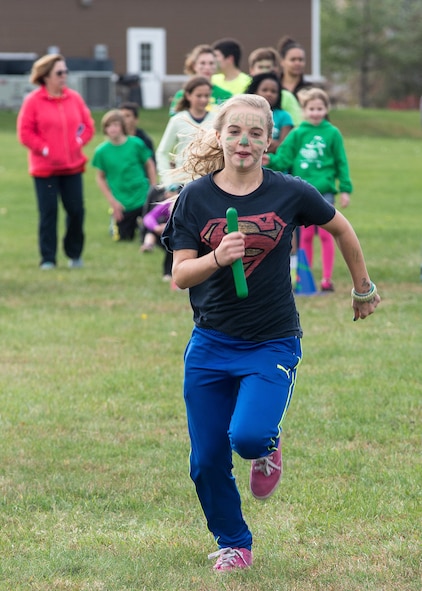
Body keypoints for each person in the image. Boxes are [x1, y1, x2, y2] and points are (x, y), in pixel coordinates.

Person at [161, 94, 380, 571]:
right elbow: (180, 275)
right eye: (235, 131)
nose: (244, 141)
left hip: (272, 340)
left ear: (269, 141)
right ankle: (234, 543)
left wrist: (363, 288)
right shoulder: (196, 199)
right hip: (211, 343)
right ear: (219, 136)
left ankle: (267, 446)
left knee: (249, 436)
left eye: (255, 133)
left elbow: (342, 229)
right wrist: (218, 256)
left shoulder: (290, 192)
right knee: (205, 460)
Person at [264, 88, 352, 291]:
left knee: (326, 234)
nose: (315, 112)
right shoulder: (297, 133)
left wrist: (345, 189)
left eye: (319, 108)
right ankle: (305, 277)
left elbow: (341, 162)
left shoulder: (332, 133)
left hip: (325, 192)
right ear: (304, 110)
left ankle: (327, 279)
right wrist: (271, 160)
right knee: (304, 236)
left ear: (326, 109)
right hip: (302, 193)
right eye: (311, 108)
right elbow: (285, 157)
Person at [16, 53, 95, 270]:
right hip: (45, 170)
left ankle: (74, 253)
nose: (64, 76)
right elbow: (25, 132)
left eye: (66, 71)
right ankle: (48, 259)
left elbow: (88, 126)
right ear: (46, 76)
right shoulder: (33, 101)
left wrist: (78, 140)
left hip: (73, 167)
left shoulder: (74, 98)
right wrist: (44, 148)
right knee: (49, 213)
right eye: (59, 72)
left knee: (76, 211)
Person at [92, 110, 156, 242]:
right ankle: (117, 222)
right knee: (124, 238)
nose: (112, 129)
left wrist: (153, 188)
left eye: (115, 125)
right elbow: (100, 177)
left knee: (151, 233)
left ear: (122, 126)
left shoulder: (136, 143)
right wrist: (112, 201)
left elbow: (149, 164)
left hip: (142, 194)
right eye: (108, 126)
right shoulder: (101, 152)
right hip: (122, 201)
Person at [156, 76, 216, 187]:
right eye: (199, 96)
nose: (203, 100)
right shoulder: (178, 120)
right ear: (188, 95)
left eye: (206, 96)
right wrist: (168, 179)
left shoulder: (216, 119)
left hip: (209, 181)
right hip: (183, 182)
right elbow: (162, 152)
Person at [168, 44, 232, 117]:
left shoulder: (226, 95)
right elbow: (176, 121)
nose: (207, 67)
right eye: (202, 63)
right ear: (194, 66)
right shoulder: (182, 95)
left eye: (211, 63)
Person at [247, 46, 302, 126]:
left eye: (268, 67)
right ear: (251, 70)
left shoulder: (286, 96)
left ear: (275, 69)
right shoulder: (243, 95)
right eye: (260, 67)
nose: (264, 71)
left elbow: (297, 125)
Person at [245, 71, 293, 152]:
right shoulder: (244, 113)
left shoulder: (285, 116)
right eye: (264, 90)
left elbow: (284, 145)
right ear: (255, 92)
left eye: (273, 91)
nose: (269, 94)